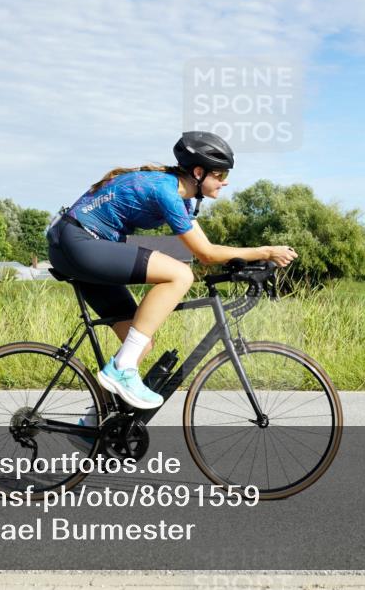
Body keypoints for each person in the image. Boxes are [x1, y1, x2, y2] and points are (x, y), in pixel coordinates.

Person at [46, 131, 298, 409]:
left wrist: (248, 261)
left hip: (81, 246)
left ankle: (99, 418)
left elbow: (207, 248)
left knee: (140, 342)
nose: (225, 183)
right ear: (199, 172)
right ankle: (121, 370)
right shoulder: (165, 191)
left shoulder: (182, 199)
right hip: (78, 242)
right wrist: (265, 252)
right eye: (220, 175)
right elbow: (205, 255)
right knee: (179, 274)